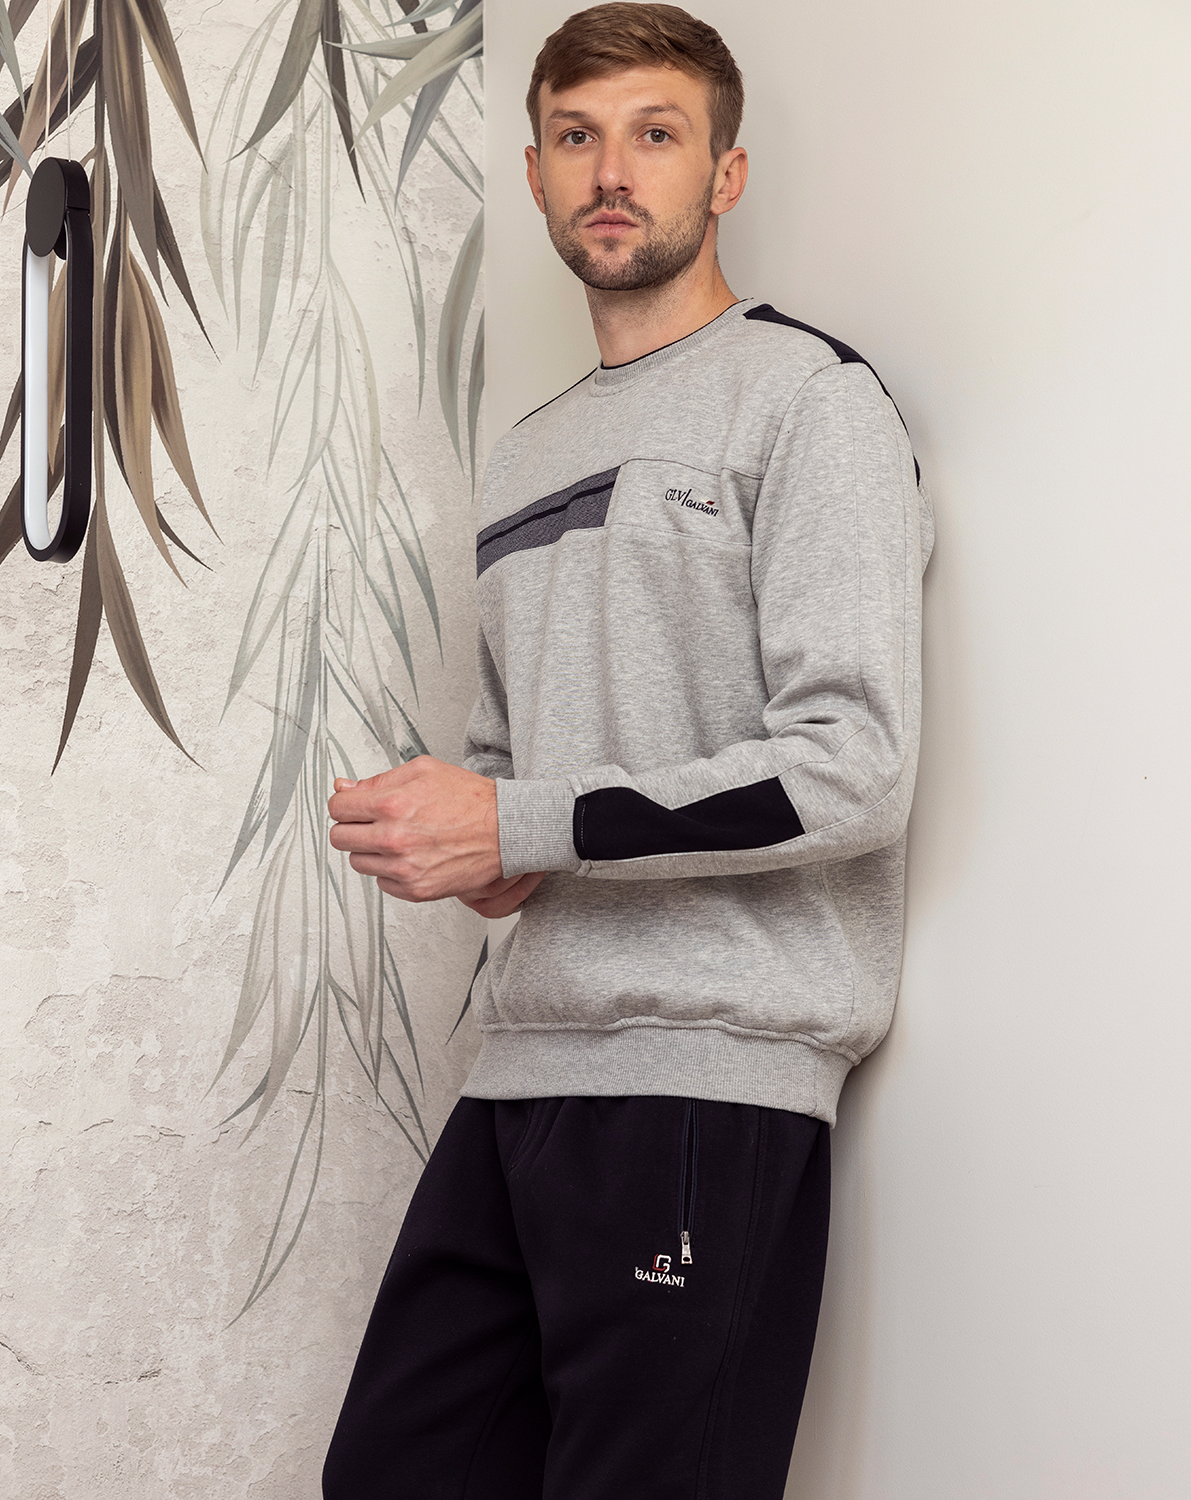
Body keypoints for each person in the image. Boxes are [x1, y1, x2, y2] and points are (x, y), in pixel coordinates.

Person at [322, 5, 933, 1496]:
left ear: (725, 175)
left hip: (707, 1075)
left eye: (657, 134)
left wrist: (523, 824)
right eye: (578, 138)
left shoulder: (811, 402)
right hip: (522, 1065)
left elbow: (849, 764)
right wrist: (477, 848)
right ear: (534, 173)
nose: (613, 171)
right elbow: (518, 767)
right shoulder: (525, 454)